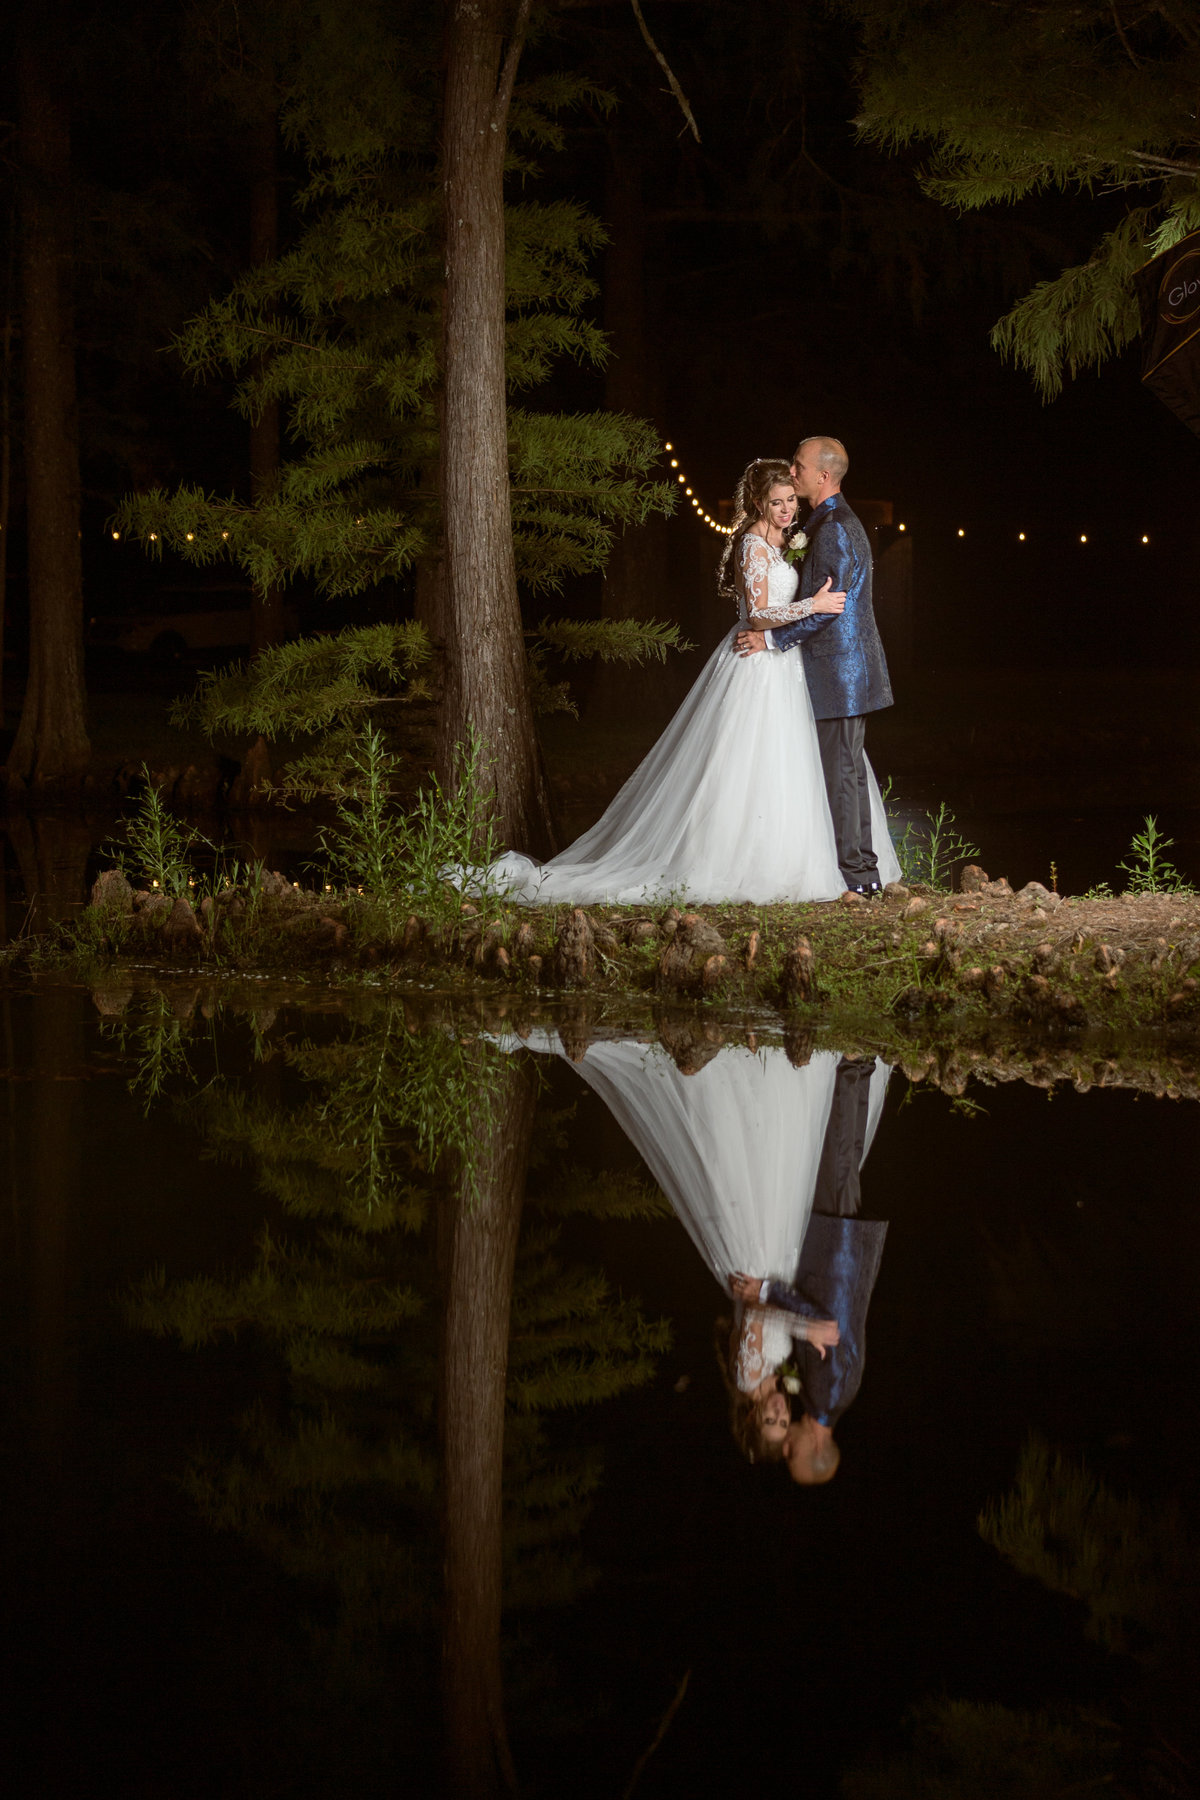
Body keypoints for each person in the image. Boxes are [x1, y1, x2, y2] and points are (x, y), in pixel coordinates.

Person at [466, 456, 899, 905]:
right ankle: (741, 861)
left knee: (795, 761)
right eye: (777, 502)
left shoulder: (791, 539)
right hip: (758, 661)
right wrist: (812, 606)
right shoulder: (751, 544)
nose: (787, 509)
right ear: (757, 502)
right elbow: (757, 614)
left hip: (788, 666)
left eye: (790, 500)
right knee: (746, 763)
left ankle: (807, 859)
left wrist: (803, 606)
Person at [737, 437, 893, 896]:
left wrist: (770, 639)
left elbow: (830, 609)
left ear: (822, 476)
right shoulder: (825, 522)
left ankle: (860, 878)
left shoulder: (835, 528)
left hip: (839, 672)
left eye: (799, 466)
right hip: (835, 671)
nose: (793, 470)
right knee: (847, 770)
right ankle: (860, 870)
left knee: (843, 773)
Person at [731, 1054, 891, 1485]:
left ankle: (862, 1064)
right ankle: (855, 1062)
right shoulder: (825, 1392)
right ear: (816, 1448)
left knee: (844, 1159)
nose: (788, 1448)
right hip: (834, 1258)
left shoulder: (836, 1398)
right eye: (793, 1455)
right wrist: (766, 1291)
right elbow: (821, 1321)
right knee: (839, 1158)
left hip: (841, 1257)